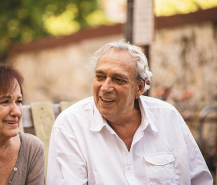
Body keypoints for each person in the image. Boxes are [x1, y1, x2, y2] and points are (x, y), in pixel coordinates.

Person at [47, 40, 213, 185]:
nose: (105, 88)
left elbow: (200, 180)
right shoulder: (71, 125)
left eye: (118, 79)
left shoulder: (168, 117)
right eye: (100, 76)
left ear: (140, 88)